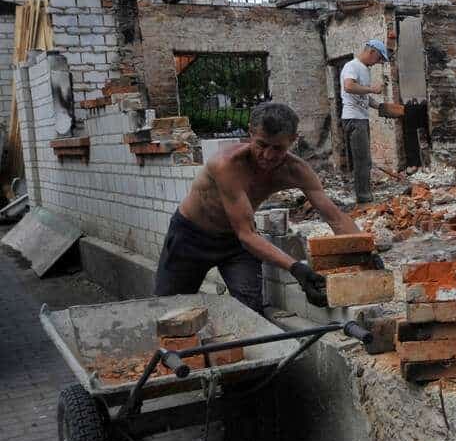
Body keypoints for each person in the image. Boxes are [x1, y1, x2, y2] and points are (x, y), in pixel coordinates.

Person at [154, 101, 369, 313]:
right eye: (262, 145)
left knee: (250, 310)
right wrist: (297, 269)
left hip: (235, 244)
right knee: (170, 310)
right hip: (190, 238)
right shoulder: (226, 165)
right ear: (250, 134)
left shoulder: (296, 170)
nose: (267, 156)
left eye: (278, 148)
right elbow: (247, 234)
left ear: (293, 141)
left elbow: (336, 218)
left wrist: (363, 252)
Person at [341, 39, 390, 204]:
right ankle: (363, 198)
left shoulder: (364, 69)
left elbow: (363, 96)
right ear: (372, 52)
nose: (378, 63)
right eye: (379, 59)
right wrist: (372, 89)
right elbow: (348, 86)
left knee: (364, 160)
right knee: (362, 160)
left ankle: (364, 194)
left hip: (360, 118)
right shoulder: (352, 66)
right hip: (353, 118)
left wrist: (381, 107)